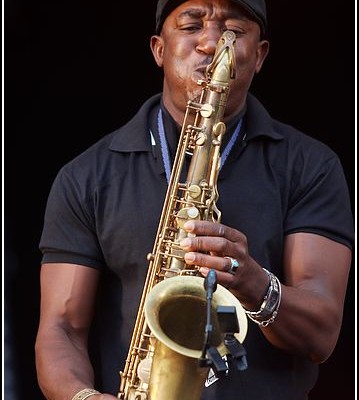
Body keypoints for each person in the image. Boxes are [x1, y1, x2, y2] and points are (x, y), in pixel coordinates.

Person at [35, 1, 354, 399]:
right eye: (191, 26)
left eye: (233, 30)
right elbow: (61, 328)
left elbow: (321, 335)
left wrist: (252, 281)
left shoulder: (312, 166)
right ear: (159, 49)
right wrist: (83, 397)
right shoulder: (86, 177)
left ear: (259, 56)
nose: (211, 41)